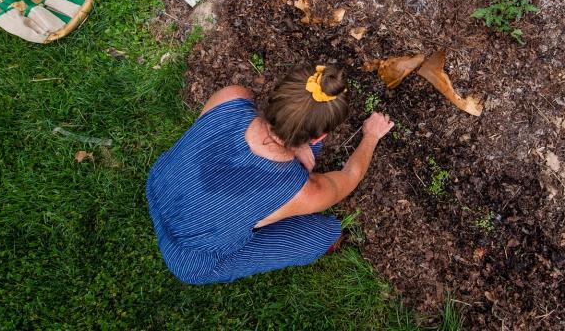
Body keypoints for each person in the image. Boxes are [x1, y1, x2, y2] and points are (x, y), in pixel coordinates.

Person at [145, 64, 393, 285]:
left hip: (160, 189)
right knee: (325, 233)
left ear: (275, 97)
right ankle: (320, 240)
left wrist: (297, 146)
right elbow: (351, 175)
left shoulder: (231, 97)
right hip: (191, 260)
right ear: (320, 136)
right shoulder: (303, 191)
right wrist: (372, 135)